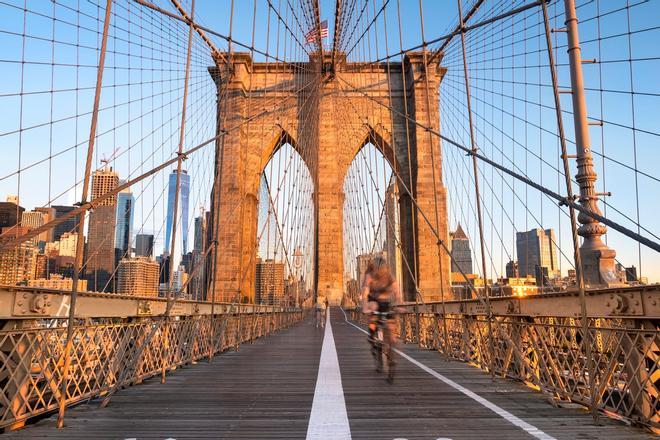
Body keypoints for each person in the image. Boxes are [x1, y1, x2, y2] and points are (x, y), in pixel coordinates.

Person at [361, 256, 401, 380]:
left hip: (386, 302)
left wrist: (400, 303)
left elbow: (396, 289)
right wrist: (365, 307)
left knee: (391, 325)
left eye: (382, 270)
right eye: (377, 270)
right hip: (373, 301)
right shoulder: (369, 275)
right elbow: (365, 290)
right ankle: (372, 337)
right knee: (373, 314)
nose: (379, 272)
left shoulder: (388, 275)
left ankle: (391, 346)